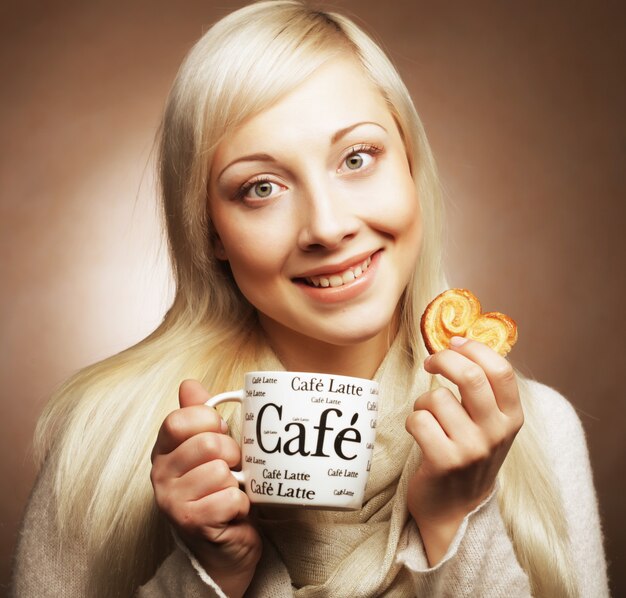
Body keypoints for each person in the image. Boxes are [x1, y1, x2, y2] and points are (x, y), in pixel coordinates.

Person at [11, 1, 608, 597]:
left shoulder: (539, 435)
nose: (326, 227)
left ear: (410, 164)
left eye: (356, 158)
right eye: (261, 187)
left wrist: (457, 521)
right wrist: (208, 576)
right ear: (210, 231)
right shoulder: (101, 443)